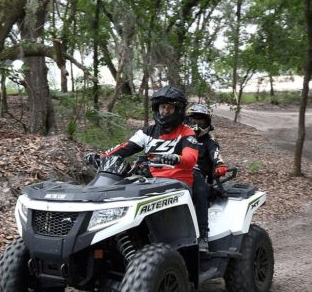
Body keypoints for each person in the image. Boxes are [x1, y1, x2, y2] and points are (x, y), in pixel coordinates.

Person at [85, 86, 205, 245]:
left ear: (178, 110)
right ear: (157, 108)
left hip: (178, 184)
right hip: (149, 182)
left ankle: (203, 234)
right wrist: (102, 157)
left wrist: (176, 158)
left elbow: (190, 158)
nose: (165, 112)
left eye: (170, 108)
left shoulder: (187, 132)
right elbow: (125, 148)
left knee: (200, 191)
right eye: (163, 107)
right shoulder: (147, 132)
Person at [186, 103, 229, 251]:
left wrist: (219, 164)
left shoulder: (209, 142)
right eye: (193, 121)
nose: (197, 125)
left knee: (200, 190)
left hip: (200, 181)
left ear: (208, 123)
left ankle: (203, 234)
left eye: (201, 121)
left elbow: (216, 155)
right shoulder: (179, 139)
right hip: (178, 176)